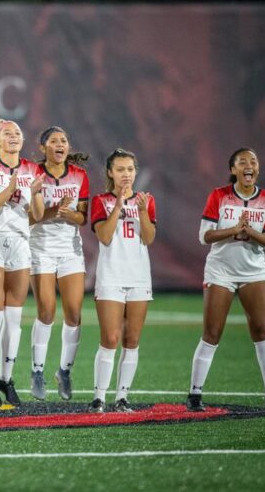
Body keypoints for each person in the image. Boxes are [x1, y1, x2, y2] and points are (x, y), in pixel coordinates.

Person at [187, 148, 265, 413]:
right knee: (212, 333)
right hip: (221, 271)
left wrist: (250, 231)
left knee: (262, 331)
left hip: (254, 271)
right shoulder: (219, 195)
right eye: (242, 162)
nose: (249, 165)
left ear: (258, 168)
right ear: (233, 170)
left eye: (253, 161)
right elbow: (204, 236)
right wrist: (234, 230)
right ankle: (195, 394)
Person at [0, 119, 44, 408]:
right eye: (7, 134)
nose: (14, 137)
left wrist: (35, 192)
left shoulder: (33, 169)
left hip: (19, 241)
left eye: (17, 133)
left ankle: (7, 379)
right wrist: (10, 189)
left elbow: (36, 216)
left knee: (14, 318)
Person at [88, 148, 156, 413]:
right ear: (110, 172)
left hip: (139, 276)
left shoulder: (146, 201)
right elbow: (104, 236)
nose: (126, 174)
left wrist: (142, 212)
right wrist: (118, 204)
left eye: (130, 169)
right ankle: (99, 396)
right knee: (110, 337)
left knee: (132, 339)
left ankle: (122, 397)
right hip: (111, 275)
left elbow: (148, 238)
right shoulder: (101, 200)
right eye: (120, 169)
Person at [29, 126, 90, 401]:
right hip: (40, 249)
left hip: (70, 251)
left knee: (74, 314)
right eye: (54, 141)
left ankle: (64, 371)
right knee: (46, 312)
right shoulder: (32, 173)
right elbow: (31, 218)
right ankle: (37, 371)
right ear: (43, 148)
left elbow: (82, 219)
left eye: (64, 140)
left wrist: (69, 213)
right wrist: (56, 209)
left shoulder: (79, 175)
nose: (60, 144)